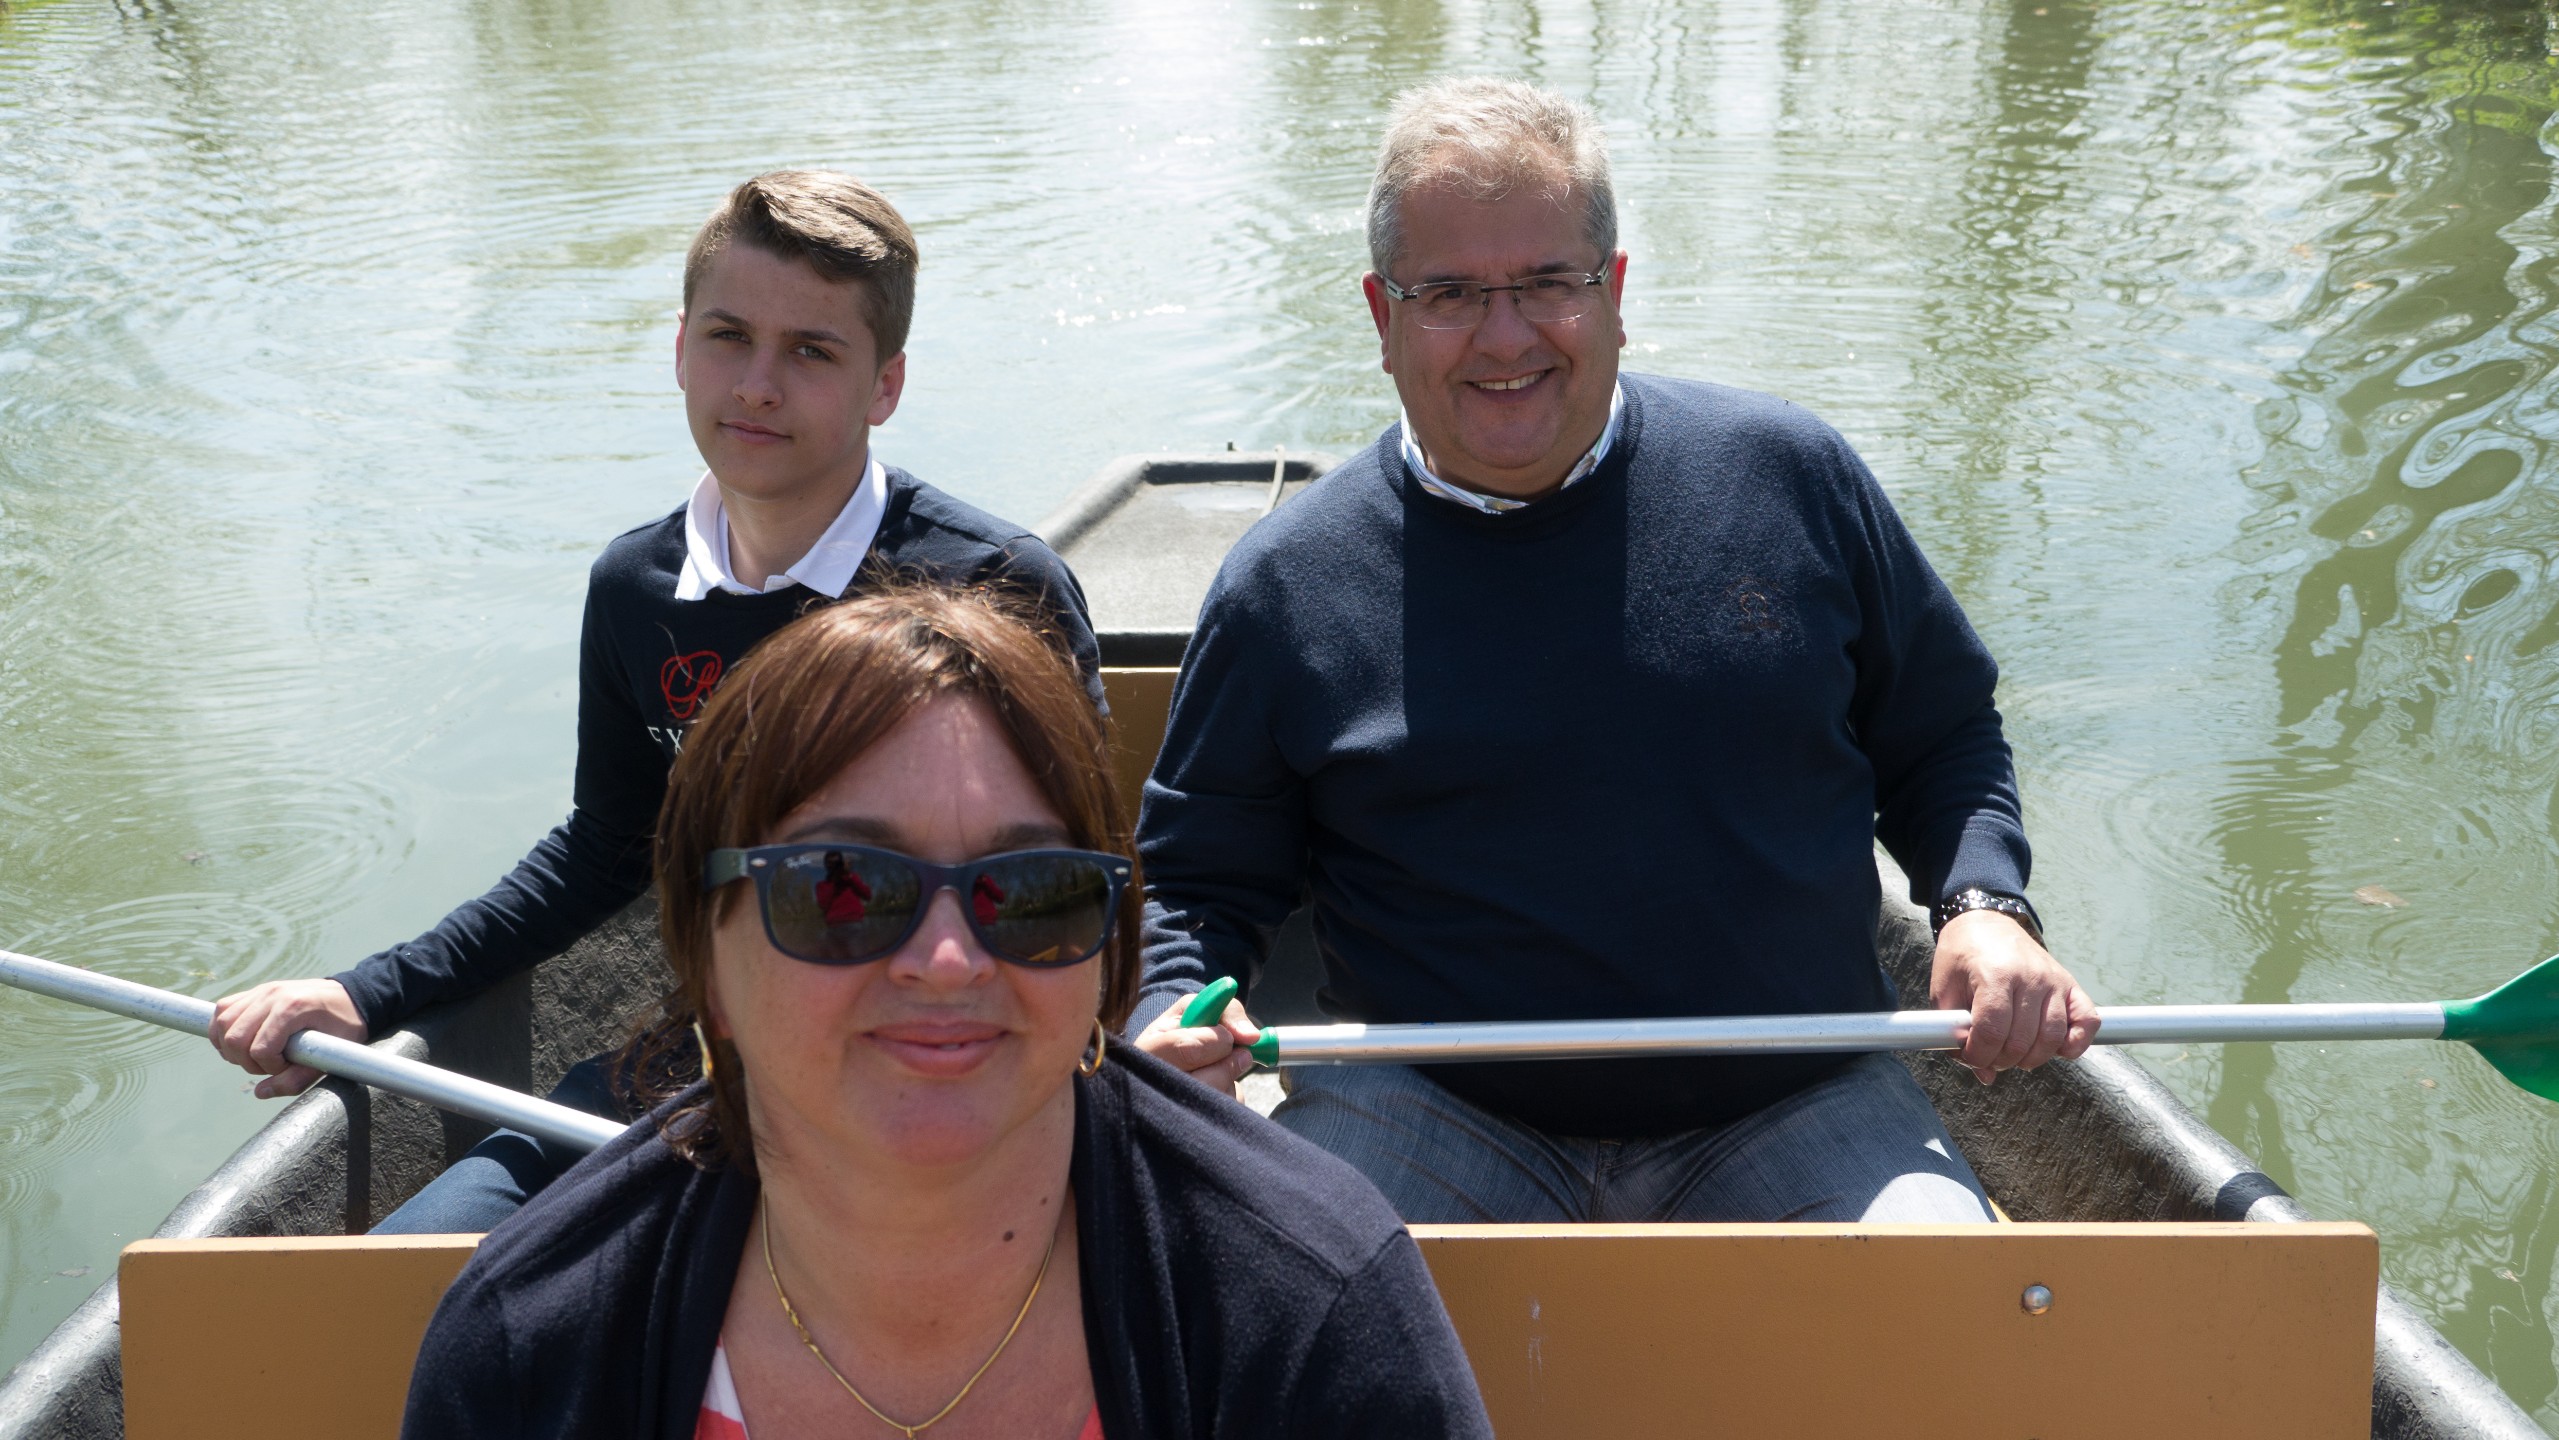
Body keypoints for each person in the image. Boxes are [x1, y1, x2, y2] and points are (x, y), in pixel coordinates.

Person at [1134, 78, 2097, 1224]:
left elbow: (1943, 738)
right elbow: (1197, 883)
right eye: (1450, 293)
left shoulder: (1794, 480)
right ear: (1382, 316)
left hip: (1794, 1092)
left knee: (1949, 1303)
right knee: (1278, 1291)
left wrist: (1983, 904)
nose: (1506, 336)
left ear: (1618, 293)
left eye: (1550, 283)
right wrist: (1174, 1006)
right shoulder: (1285, 583)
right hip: (1426, 1101)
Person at [206, 170, 1101, 1232]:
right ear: (680, 349)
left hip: (932, 1061)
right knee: (422, 1263)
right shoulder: (634, 588)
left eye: (812, 352)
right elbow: (607, 849)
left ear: (885, 387)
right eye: (729, 337)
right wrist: (370, 991)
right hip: (704, 1049)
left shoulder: (995, 586)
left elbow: (1068, 891)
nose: (757, 385)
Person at [400, 587, 1492, 1440]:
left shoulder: (1313, 1309)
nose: (947, 960)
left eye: (1032, 891)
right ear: (706, 957)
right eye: (839, 888)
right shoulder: (531, 1345)